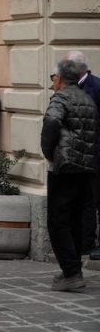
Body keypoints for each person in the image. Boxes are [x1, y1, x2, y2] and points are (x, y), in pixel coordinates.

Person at [41, 59, 97, 291]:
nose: (53, 82)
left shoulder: (61, 97)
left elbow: (52, 120)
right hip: (85, 167)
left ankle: (72, 273)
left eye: (53, 78)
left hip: (64, 166)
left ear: (59, 79)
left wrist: (47, 151)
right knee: (74, 220)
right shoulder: (87, 98)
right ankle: (71, 270)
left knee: (57, 221)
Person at [64, 51, 100, 260]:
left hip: (95, 153)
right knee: (85, 199)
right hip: (78, 155)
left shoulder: (95, 87)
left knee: (98, 199)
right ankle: (87, 241)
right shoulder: (68, 88)